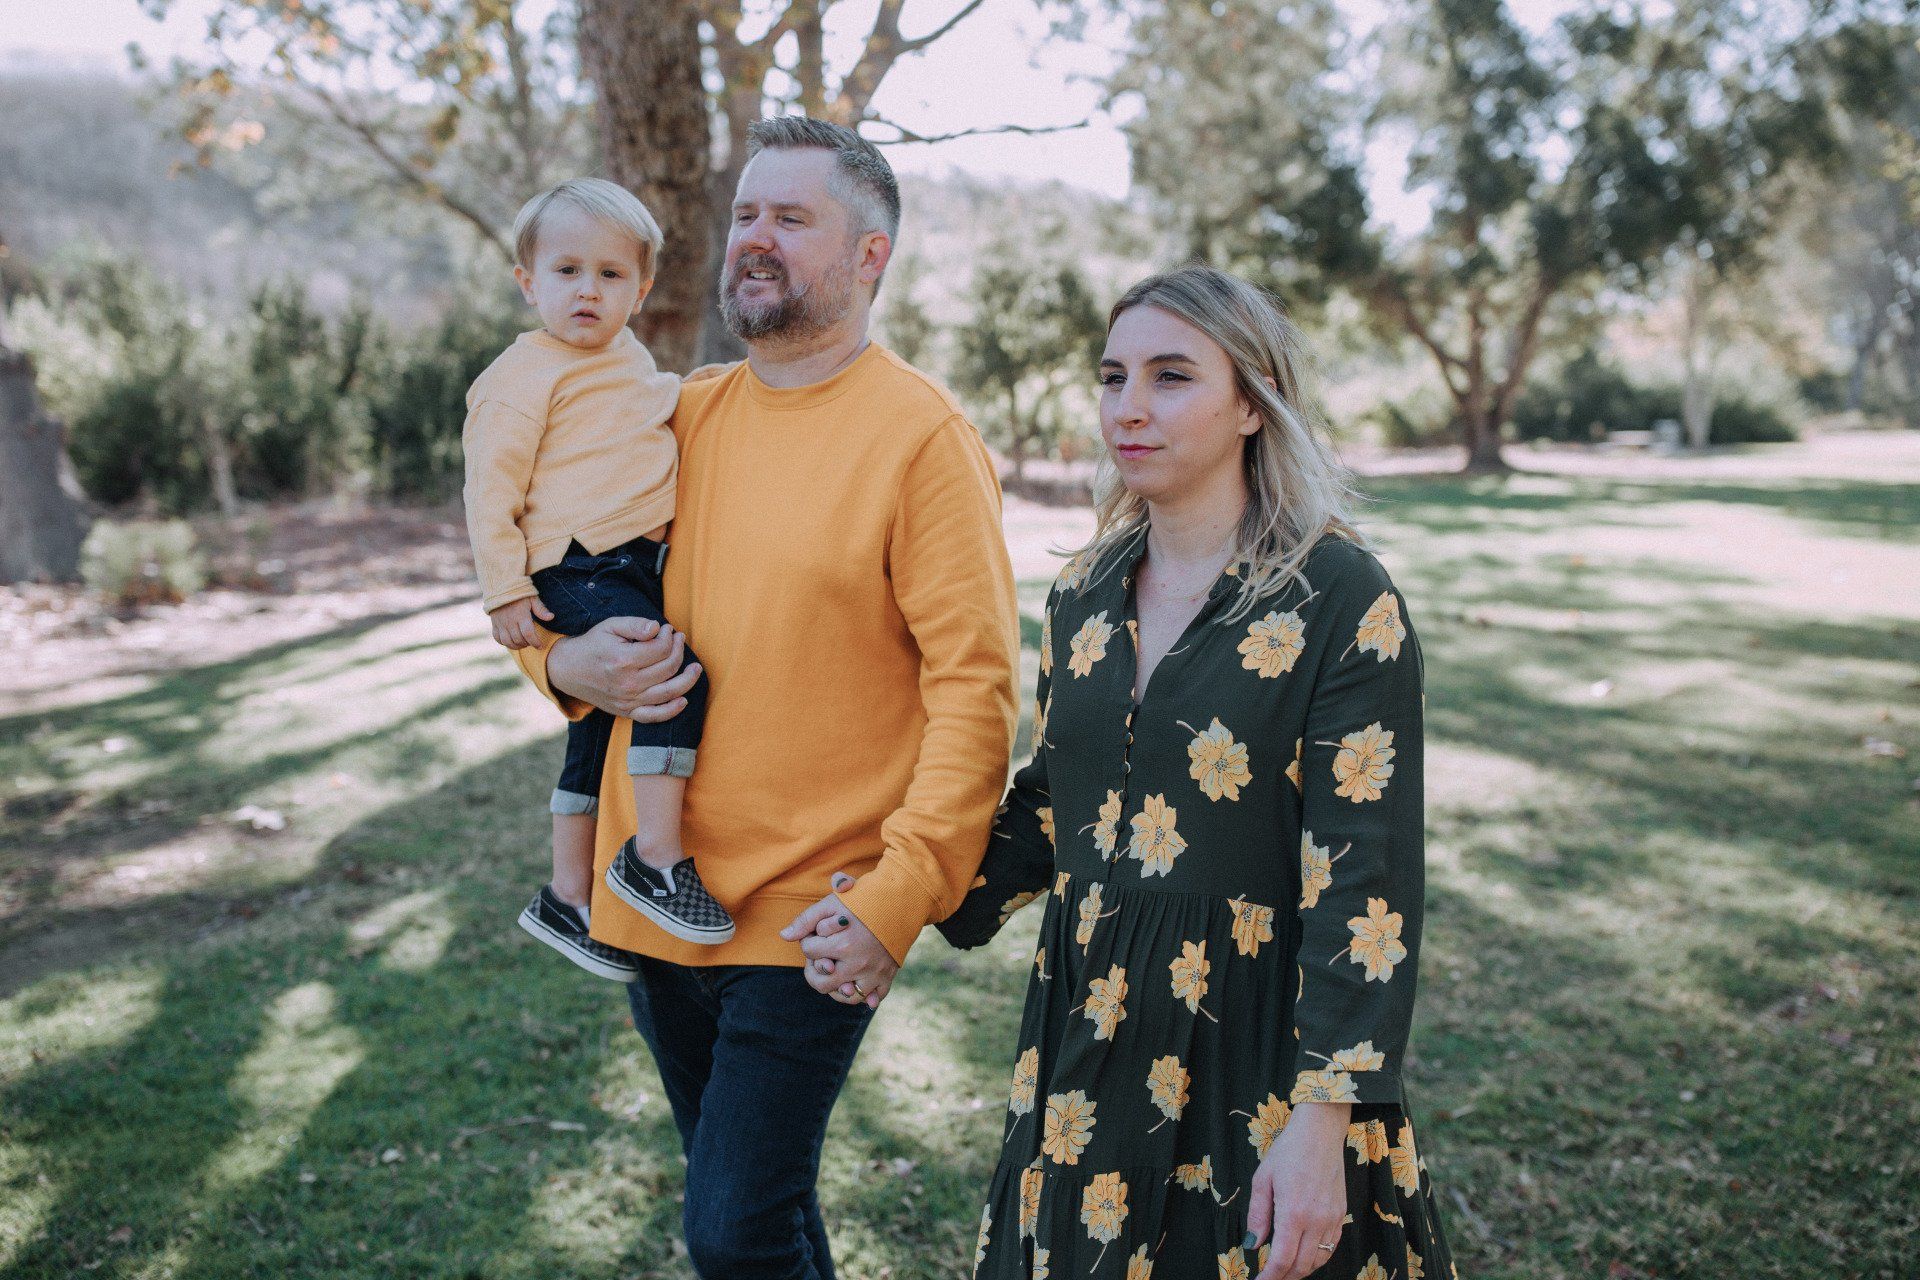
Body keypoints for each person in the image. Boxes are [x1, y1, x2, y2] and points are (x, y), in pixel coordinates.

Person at [507, 118, 1020, 1278]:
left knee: (732, 1228)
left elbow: (976, 691)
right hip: (654, 898)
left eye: (792, 217)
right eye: (746, 213)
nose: (755, 237)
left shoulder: (922, 438)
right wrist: (560, 666)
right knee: (763, 1214)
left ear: (870, 254)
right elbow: (551, 567)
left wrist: (900, 897)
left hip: (811, 915)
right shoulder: (678, 414)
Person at [921, 266, 1456, 1278]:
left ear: (1253, 402)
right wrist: (906, 887)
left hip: (1257, 1055)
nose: (1129, 406)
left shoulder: (1341, 598)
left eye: (1171, 376)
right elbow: (1059, 805)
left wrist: (1322, 1121)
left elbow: (1367, 881)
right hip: (1084, 1051)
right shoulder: (1083, 592)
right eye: (1112, 376)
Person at [463, 177, 731, 980]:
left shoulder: (626, 359)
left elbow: (650, 408)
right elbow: (488, 489)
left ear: (640, 290)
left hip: (627, 564)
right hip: (574, 561)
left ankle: (568, 895)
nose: (588, 290)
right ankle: (656, 859)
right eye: (567, 271)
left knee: (596, 728)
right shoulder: (521, 375)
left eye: (611, 274)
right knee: (669, 678)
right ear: (528, 282)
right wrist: (505, 589)